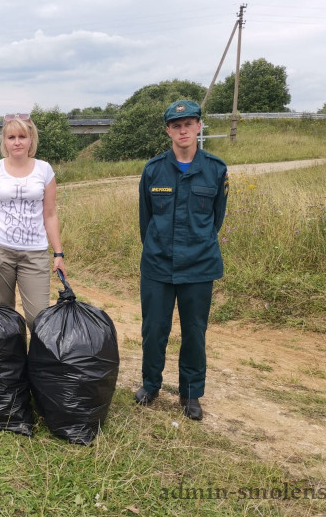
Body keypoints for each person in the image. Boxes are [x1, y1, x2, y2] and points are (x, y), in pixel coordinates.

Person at [134, 100, 228, 420]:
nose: (183, 130)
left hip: (199, 265)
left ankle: (190, 395)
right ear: (168, 131)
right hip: (158, 265)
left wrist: (194, 244)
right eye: (176, 126)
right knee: (154, 329)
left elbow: (217, 220)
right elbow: (145, 221)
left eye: (189, 124)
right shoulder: (153, 170)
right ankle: (151, 385)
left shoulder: (216, 169)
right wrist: (160, 248)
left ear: (199, 126)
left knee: (194, 333)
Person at [0, 113, 66, 330]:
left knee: (39, 319)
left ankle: (37, 363)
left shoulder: (45, 170)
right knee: (2, 319)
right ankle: (10, 363)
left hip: (34, 254)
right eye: (11, 137)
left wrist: (58, 254)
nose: (17, 142)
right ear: (4, 141)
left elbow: (50, 214)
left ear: (31, 139)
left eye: (22, 136)